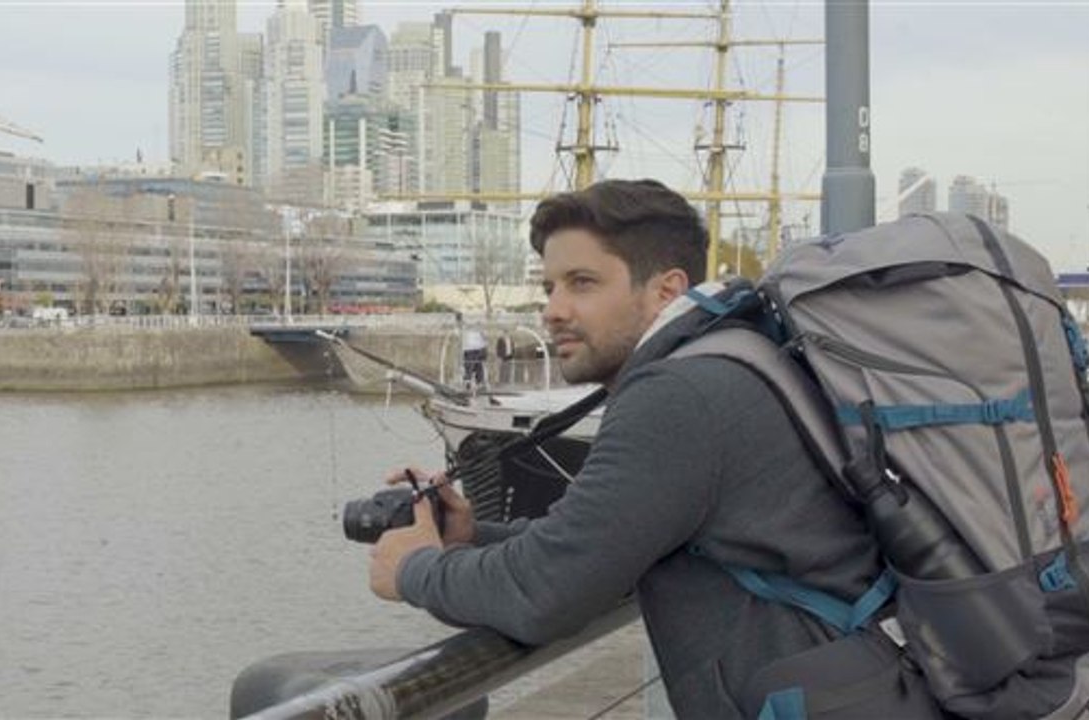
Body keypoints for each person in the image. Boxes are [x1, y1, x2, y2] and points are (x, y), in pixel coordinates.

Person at [367, 179, 897, 717]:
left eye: (582, 283)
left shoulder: (680, 396)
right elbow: (599, 541)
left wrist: (414, 570)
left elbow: (545, 591)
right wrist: (472, 534)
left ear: (665, 291)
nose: (553, 309)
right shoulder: (735, 355)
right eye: (550, 286)